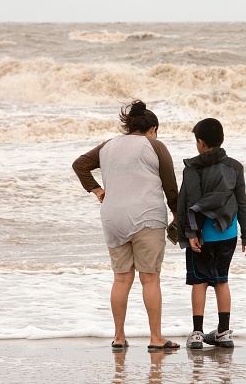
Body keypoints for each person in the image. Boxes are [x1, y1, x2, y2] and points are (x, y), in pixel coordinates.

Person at [72, 100, 180, 350]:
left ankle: (119, 338)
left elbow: (80, 165)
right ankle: (156, 339)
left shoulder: (108, 146)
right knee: (150, 278)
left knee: (121, 279)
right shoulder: (155, 146)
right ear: (152, 128)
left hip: (113, 218)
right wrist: (176, 215)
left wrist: (96, 189)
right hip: (147, 217)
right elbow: (170, 186)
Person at [177, 117, 246, 349]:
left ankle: (198, 334)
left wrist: (189, 233)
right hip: (228, 234)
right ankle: (223, 332)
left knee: (199, 282)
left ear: (200, 142)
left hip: (200, 236)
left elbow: (187, 203)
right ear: (221, 140)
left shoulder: (192, 168)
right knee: (221, 281)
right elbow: (242, 204)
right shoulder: (235, 167)